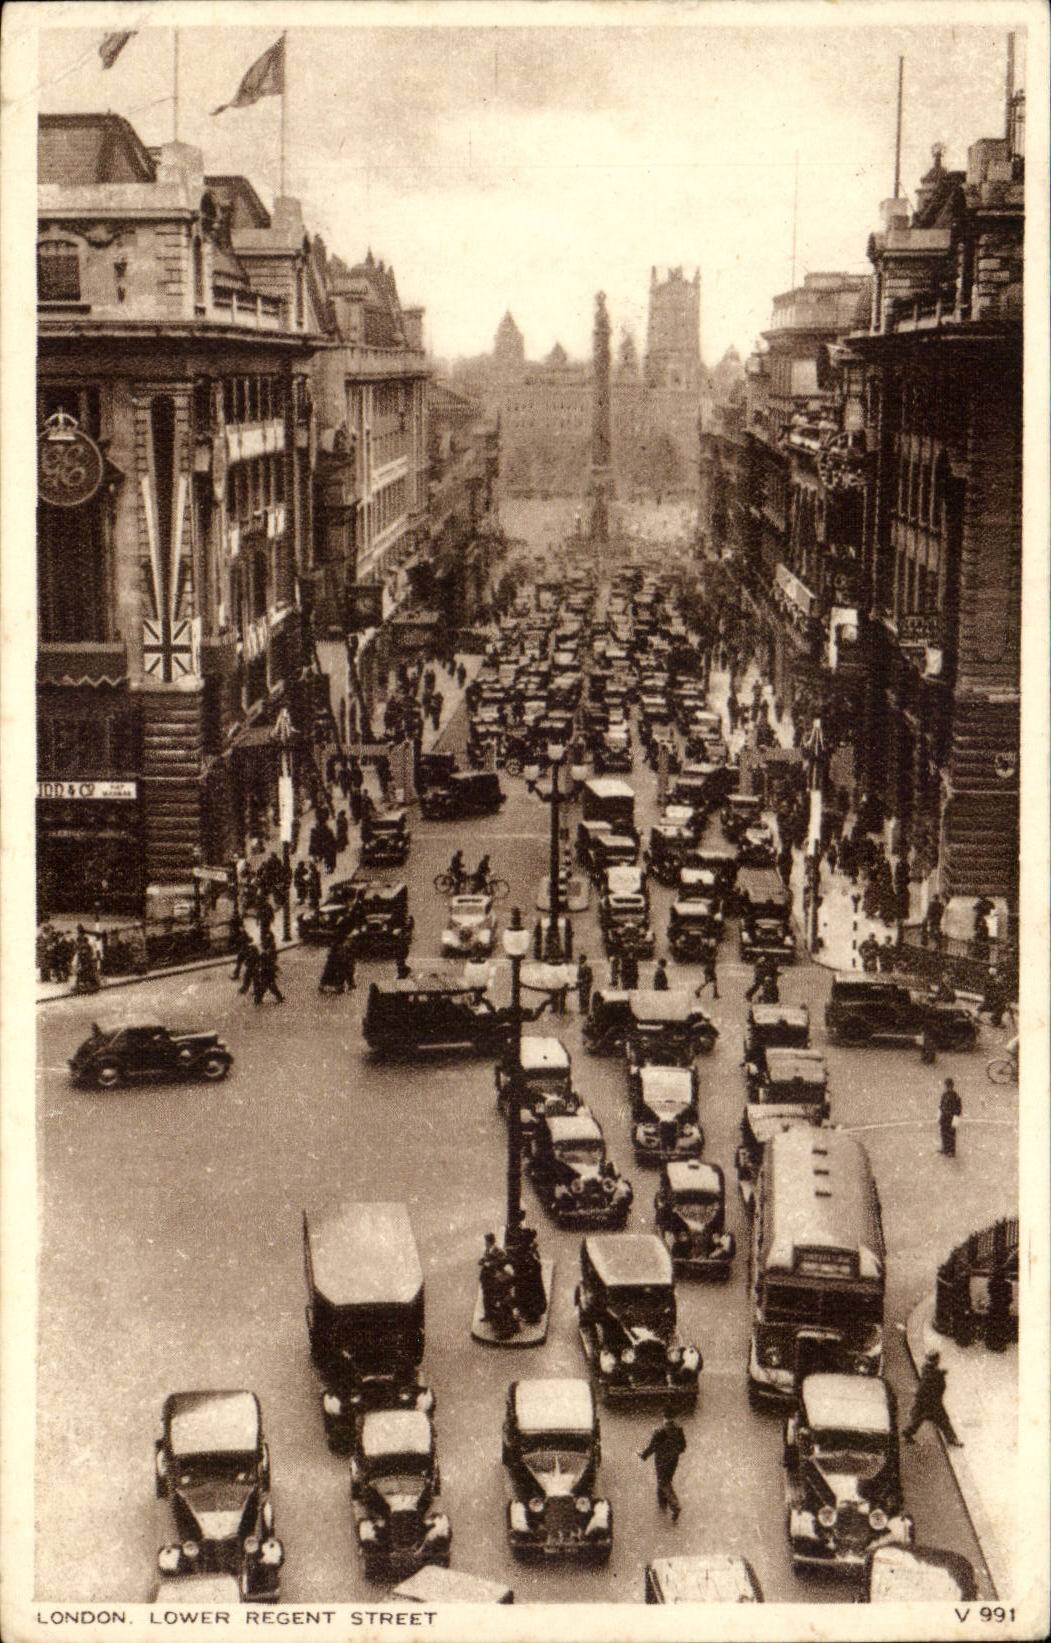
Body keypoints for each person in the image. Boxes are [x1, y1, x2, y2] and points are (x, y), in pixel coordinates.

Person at [903, 1350, 963, 1446]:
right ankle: (951, 1439)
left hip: (928, 1401)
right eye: (938, 1359)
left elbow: (932, 1375)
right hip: (931, 1402)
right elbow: (924, 1387)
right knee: (943, 1420)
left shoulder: (929, 1370)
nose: (939, 1360)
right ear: (935, 1360)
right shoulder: (931, 1374)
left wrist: (941, 1373)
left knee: (918, 1419)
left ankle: (907, 1433)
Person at [639, 1407, 687, 1523]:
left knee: (663, 1481)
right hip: (673, 1460)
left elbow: (652, 1447)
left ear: (664, 1416)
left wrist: (643, 1455)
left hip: (661, 1461)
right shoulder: (678, 1430)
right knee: (666, 1479)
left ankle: (675, 1505)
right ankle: (662, 1502)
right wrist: (673, 1452)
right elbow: (683, 1447)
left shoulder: (660, 1431)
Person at [254, 937, 284, 1005]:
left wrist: (276, 968)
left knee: (269, 987)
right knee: (267, 988)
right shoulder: (263, 955)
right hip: (266, 975)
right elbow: (263, 965)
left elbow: (271, 964)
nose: (269, 950)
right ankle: (258, 1000)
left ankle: (258, 1000)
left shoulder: (267, 955)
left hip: (268, 975)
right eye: (268, 949)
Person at [938, 1077, 962, 1157]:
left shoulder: (955, 1096)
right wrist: (940, 1117)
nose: (948, 1088)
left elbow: (958, 1110)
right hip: (945, 1117)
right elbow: (941, 1106)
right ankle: (945, 1148)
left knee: (951, 1134)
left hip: (951, 1118)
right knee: (944, 1133)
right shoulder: (945, 1095)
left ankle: (951, 1150)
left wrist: (955, 1122)